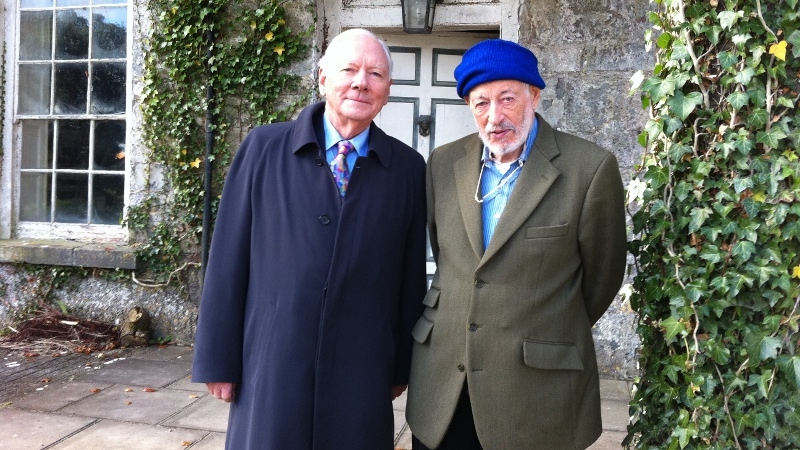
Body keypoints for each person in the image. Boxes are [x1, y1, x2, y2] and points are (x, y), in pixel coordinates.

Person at [191, 28, 427, 449]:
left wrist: (399, 368)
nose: (361, 82)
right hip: (272, 360)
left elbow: (409, 278)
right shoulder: (263, 147)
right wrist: (217, 358)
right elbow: (227, 258)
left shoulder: (408, 169)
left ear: (388, 91)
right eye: (349, 69)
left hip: (362, 365)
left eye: (375, 74)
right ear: (322, 78)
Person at [405, 39, 627, 449]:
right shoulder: (442, 163)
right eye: (480, 103)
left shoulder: (589, 169)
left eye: (507, 99)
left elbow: (602, 276)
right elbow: (452, 258)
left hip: (535, 388)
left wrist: (544, 323)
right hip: (444, 380)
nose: (494, 117)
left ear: (534, 95)